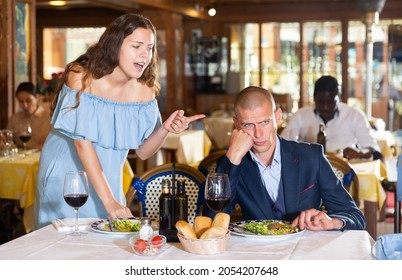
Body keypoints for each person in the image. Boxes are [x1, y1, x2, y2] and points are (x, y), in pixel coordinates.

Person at [34, 13, 205, 229]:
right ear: (115, 45)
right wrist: (109, 201)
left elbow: (143, 152)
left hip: (107, 177)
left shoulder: (145, 90)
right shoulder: (80, 76)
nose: (145, 55)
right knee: (64, 242)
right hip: (67, 173)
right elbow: (81, 143)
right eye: (137, 46)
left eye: (150, 48)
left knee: (104, 242)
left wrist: (164, 129)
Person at [204, 86, 365, 231]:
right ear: (236, 124)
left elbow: (355, 217)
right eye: (248, 125)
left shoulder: (311, 157)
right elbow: (212, 226)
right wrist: (232, 158)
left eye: (264, 122)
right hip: (260, 257)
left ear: (278, 117)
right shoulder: (231, 165)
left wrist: (333, 222)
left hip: (306, 254)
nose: (258, 134)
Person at [281, 75, 382, 161]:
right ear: (314, 99)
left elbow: (376, 153)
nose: (325, 107)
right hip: (310, 174)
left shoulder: (354, 115)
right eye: (321, 102)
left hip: (345, 173)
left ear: (339, 97)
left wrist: (360, 153)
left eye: (330, 102)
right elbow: (282, 145)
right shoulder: (301, 116)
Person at [7, 82, 52, 150]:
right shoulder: (14, 119)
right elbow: (7, 143)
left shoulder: (50, 119)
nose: (25, 105)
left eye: (28, 101)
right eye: (21, 102)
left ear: (37, 98)